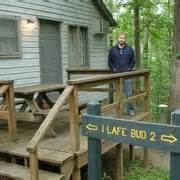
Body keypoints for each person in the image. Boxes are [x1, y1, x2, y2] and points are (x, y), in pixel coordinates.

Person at [108, 32, 136, 115]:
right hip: (116, 75)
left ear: (125, 39)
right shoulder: (112, 50)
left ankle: (130, 110)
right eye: (120, 37)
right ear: (118, 39)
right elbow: (110, 62)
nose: (121, 39)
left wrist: (129, 69)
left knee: (129, 93)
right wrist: (113, 69)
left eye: (123, 38)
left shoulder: (129, 49)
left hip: (127, 75)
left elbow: (133, 61)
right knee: (118, 93)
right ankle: (119, 110)